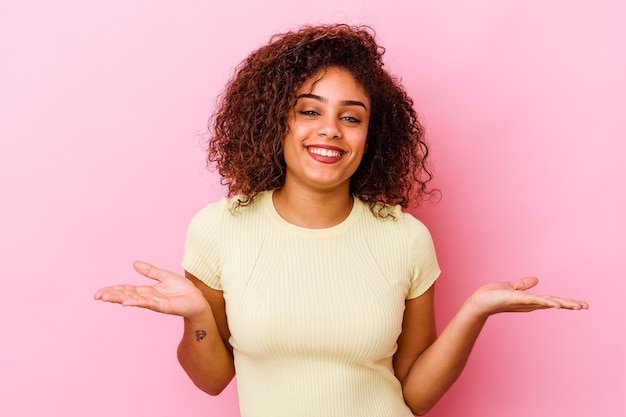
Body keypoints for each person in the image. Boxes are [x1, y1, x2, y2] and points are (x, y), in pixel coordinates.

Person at [94, 24, 588, 417]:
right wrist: (197, 317)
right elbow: (212, 380)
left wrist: (475, 310)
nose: (330, 129)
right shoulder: (219, 229)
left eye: (351, 117)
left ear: (372, 135)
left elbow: (414, 396)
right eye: (309, 111)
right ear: (275, 122)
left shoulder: (405, 238)